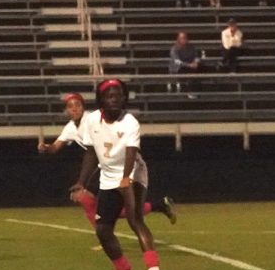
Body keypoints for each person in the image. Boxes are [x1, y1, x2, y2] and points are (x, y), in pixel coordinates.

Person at [70, 79, 164, 270]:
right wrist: (81, 182)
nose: (115, 99)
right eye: (110, 96)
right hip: (108, 177)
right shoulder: (92, 120)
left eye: (119, 95)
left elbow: (131, 152)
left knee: (135, 220)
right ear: (101, 99)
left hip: (133, 174)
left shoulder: (130, 122)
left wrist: (125, 178)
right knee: (103, 229)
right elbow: (92, 153)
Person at [38, 93, 176, 227]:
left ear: (83, 107)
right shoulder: (70, 127)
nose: (74, 109)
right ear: (66, 110)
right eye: (70, 106)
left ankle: (106, 235)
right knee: (96, 205)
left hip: (117, 164)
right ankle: (159, 206)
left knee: (105, 206)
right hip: (104, 166)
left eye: (78, 105)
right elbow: (55, 147)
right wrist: (46, 148)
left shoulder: (91, 119)